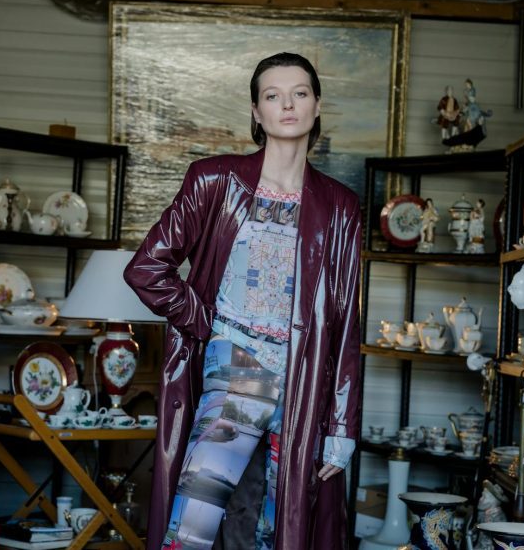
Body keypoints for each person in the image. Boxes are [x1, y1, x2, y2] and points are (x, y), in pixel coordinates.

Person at [124, 52, 361, 550]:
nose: (287, 105)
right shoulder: (215, 180)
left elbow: (345, 325)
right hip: (238, 364)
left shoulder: (340, 206)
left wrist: (342, 425)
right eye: (272, 96)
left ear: (317, 105)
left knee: (274, 528)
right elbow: (146, 268)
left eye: (299, 93)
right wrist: (205, 320)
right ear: (256, 112)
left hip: (304, 377)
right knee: (194, 521)